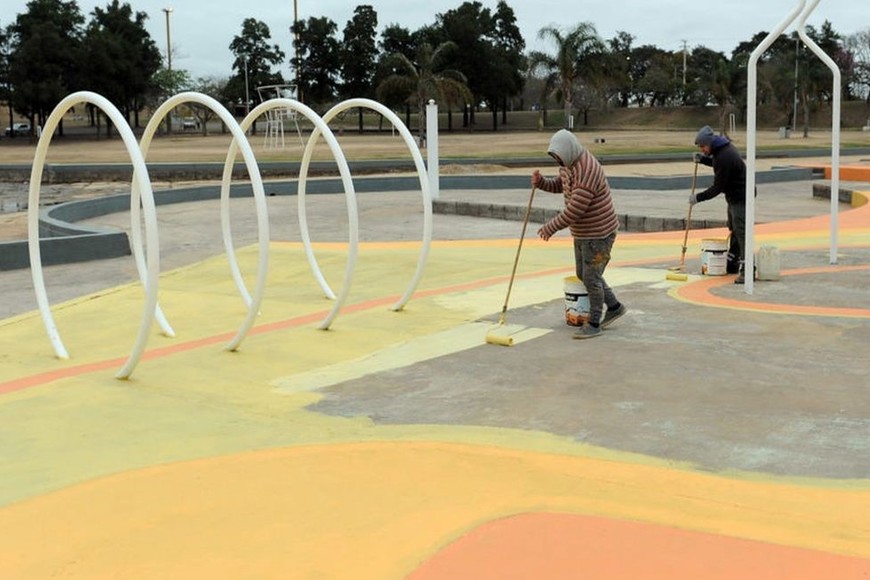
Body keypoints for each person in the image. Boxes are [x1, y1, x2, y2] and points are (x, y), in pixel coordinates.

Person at [532, 129, 626, 339]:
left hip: (600, 234)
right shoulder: (568, 165)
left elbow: (576, 209)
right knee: (584, 274)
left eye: (558, 156)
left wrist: (551, 227)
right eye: (554, 157)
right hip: (583, 232)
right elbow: (562, 186)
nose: (557, 160)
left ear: (568, 150)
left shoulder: (587, 169)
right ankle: (614, 307)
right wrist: (542, 184)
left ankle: (594, 323)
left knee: (592, 277)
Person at [690, 125, 751, 283]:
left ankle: (748, 268)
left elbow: (718, 187)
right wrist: (703, 160)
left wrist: (698, 198)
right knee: (734, 228)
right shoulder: (720, 151)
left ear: (710, 143)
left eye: (703, 147)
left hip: (742, 197)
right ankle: (733, 261)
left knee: (741, 230)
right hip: (734, 196)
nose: (703, 149)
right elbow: (716, 163)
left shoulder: (725, 155)